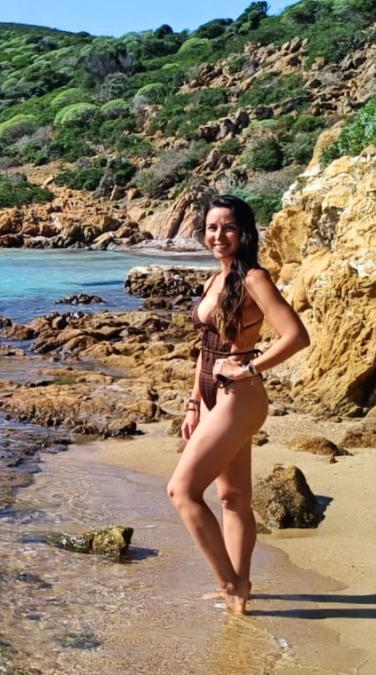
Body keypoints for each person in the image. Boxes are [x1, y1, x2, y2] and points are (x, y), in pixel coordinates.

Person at [166, 194, 311, 614]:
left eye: (228, 227)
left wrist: (251, 368)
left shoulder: (253, 279)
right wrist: (194, 404)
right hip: (212, 395)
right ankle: (241, 587)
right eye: (212, 227)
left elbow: (296, 336)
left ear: (244, 232)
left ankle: (229, 583)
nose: (219, 235)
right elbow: (205, 348)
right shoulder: (216, 279)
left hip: (239, 395)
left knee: (182, 490)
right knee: (232, 497)